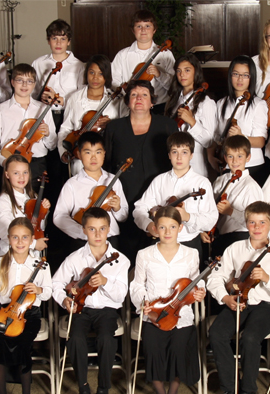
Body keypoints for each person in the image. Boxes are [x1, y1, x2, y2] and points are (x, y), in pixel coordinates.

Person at [206, 201, 270, 394]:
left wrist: (267, 278)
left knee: (250, 337)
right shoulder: (235, 249)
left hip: (268, 307)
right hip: (238, 301)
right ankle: (229, 389)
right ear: (246, 224)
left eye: (262, 222)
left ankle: (247, 391)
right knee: (217, 333)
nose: (257, 227)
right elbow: (216, 277)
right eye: (252, 222)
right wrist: (224, 298)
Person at [51, 207, 130, 394]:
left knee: (106, 338)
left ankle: (103, 391)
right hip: (81, 309)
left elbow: (121, 296)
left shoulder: (120, 260)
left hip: (107, 310)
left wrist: (105, 281)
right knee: (75, 338)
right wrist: (65, 301)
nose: (97, 234)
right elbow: (56, 284)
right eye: (92, 229)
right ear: (84, 230)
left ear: (109, 229)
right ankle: (84, 390)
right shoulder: (75, 258)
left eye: (102, 229)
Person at [129, 206, 205, 394]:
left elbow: (197, 282)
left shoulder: (191, 253)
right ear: (155, 228)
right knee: (153, 348)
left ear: (180, 228)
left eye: (172, 227)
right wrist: (143, 303)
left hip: (181, 314)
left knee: (179, 349)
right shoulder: (145, 254)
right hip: (154, 313)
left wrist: (200, 292)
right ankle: (160, 393)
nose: (167, 231)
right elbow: (137, 285)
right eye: (162, 227)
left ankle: (172, 393)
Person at [0, 217, 53, 394]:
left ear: (32, 239)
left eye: (24, 237)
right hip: (5, 311)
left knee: (22, 344)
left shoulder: (39, 264)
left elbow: (48, 292)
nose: (20, 242)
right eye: (15, 237)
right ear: (9, 239)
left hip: (29, 314)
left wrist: (38, 289)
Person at [104, 80, 178, 260]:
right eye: (134, 95)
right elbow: (106, 165)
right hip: (123, 197)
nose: (139, 99)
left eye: (144, 95)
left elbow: (176, 161)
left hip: (158, 197)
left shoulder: (167, 125)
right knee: (126, 250)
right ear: (128, 101)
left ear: (152, 101)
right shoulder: (114, 127)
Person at [133, 132, 217, 265]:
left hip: (189, 243)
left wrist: (187, 217)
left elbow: (211, 219)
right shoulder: (159, 180)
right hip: (160, 243)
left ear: (191, 155)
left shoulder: (202, 183)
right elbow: (139, 208)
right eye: (174, 152)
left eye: (184, 152)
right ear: (169, 155)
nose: (179, 157)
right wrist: (148, 225)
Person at [54, 132, 128, 253]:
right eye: (88, 152)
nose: (93, 157)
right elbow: (59, 216)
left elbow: (123, 217)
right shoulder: (72, 184)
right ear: (79, 154)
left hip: (110, 238)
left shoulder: (114, 180)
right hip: (82, 242)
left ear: (104, 153)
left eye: (98, 152)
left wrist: (117, 208)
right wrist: (82, 232)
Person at [0, 63, 57, 179]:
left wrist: (48, 134)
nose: (24, 84)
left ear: (34, 84)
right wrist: (4, 162)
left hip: (37, 164)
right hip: (9, 161)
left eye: (29, 81)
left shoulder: (43, 108)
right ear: (12, 82)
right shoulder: (0, 110)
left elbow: (52, 145)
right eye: (20, 80)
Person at [57, 55, 126, 175]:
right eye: (92, 72)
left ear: (107, 76)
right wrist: (64, 151)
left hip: (108, 155)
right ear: (86, 74)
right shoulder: (74, 99)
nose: (95, 78)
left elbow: (125, 127)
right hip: (80, 157)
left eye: (100, 74)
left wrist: (111, 125)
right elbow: (65, 128)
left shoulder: (117, 100)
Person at [201, 135, 264, 258]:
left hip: (240, 238)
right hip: (219, 237)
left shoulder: (251, 187)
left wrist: (230, 211)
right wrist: (204, 230)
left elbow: (254, 222)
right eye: (230, 156)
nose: (235, 161)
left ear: (248, 157)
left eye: (240, 156)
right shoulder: (220, 181)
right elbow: (208, 208)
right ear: (225, 157)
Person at [212, 56, 269, 184]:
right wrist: (211, 157)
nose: (240, 79)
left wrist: (241, 136)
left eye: (245, 75)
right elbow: (216, 137)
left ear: (251, 78)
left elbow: (260, 141)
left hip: (252, 165)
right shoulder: (221, 103)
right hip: (227, 163)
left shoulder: (258, 104)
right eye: (236, 74)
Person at [164, 53, 217, 178]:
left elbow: (209, 141)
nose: (182, 74)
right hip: (172, 161)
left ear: (196, 72)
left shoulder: (206, 102)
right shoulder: (173, 100)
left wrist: (191, 122)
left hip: (195, 164)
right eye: (179, 71)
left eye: (187, 70)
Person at [111, 9, 175, 111]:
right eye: (139, 26)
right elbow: (114, 82)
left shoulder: (165, 54)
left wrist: (159, 74)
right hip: (132, 107)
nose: (143, 30)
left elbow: (173, 86)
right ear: (133, 30)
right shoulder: (122, 55)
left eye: (147, 26)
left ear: (154, 30)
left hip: (160, 106)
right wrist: (127, 91)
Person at [32, 19, 85, 124]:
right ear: (48, 40)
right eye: (54, 38)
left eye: (63, 39)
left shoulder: (79, 66)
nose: (58, 43)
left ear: (69, 42)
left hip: (68, 114)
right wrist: (40, 96)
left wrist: (61, 100)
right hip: (43, 114)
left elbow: (82, 96)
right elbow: (31, 92)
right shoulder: (38, 63)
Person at [0, 155, 49, 256]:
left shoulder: (33, 196)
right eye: (16, 173)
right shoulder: (4, 200)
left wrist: (44, 211)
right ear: (7, 175)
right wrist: (34, 244)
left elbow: (39, 226)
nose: (22, 177)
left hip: (33, 253)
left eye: (25, 172)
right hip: (12, 254)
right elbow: (5, 232)